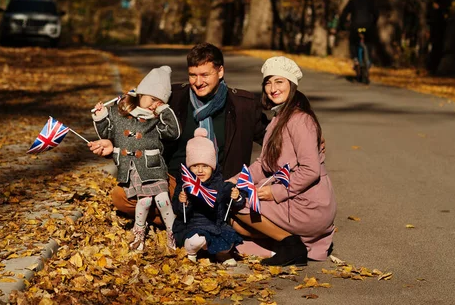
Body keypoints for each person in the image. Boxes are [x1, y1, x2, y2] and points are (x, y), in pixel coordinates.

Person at [104, 43, 268, 224]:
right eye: (193, 75)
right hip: (174, 181)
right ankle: (182, 220)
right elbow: (136, 120)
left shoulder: (244, 105)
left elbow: (272, 140)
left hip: (219, 185)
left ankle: (190, 218)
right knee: (121, 197)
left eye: (205, 75)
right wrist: (113, 143)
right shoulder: (174, 98)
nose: (198, 82)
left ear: (220, 71)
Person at [231, 56, 337, 266]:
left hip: (309, 204)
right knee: (235, 223)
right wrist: (233, 182)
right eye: (268, 82)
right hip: (295, 199)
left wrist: (274, 193)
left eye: (279, 82)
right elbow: (263, 164)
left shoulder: (300, 120)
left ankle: (291, 245)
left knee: (239, 203)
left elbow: (310, 170)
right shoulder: (278, 119)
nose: (272, 88)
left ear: (292, 84)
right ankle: (285, 245)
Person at [88, 66, 181, 251]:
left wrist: (164, 110)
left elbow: (173, 132)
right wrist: (100, 117)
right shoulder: (119, 113)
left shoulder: (156, 120)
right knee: (145, 201)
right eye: (153, 99)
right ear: (141, 93)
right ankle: (139, 233)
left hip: (153, 166)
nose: (154, 104)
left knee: (163, 199)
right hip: (133, 168)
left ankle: (174, 232)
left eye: (160, 102)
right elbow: (107, 132)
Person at [172, 128, 245, 266]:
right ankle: (191, 253)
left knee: (227, 241)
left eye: (205, 166)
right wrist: (183, 203)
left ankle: (220, 253)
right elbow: (178, 210)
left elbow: (234, 203)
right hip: (192, 226)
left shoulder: (220, 184)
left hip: (215, 224)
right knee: (197, 239)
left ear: (213, 167)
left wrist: (237, 197)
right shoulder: (185, 185)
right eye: (195, 166)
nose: (200, 171)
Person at [338, 0, 378, 73]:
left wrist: (342, 25)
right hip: (368, 26)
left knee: (353, 42)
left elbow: (344, 14)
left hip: (355, 26)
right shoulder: (369, 1)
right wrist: (373, 23)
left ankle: (356, 59)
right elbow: (376, 13)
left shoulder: (352, 1)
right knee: (368, 42)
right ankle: (369, 59)